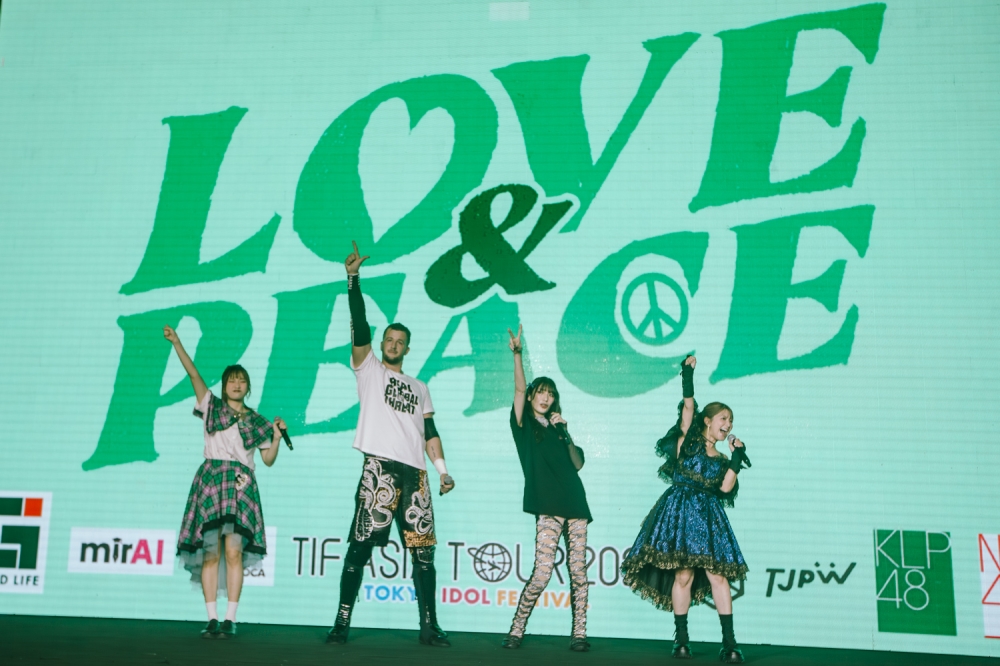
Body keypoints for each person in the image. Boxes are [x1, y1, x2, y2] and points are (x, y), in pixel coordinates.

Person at [327, 241, 456, 647]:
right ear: (382, 344)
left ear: (408, 347)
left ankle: (429, 626)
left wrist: (442, 471)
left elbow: (430, 434)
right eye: (389, 339)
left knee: (424, 555)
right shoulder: (369, 369)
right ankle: (341, 624)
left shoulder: (420, 387)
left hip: (415, 475)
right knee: (360, 548)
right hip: (379, 468)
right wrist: (353, 280)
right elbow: (360, 326)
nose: (393, 344)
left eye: (400, 341)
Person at [620, 356, 749, 663]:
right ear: (709, 419)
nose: (728, 425)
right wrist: (687, 374)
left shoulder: (720, 457)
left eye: (731, 421)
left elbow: (726, 489)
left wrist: (735, 459)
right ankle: (681, 640)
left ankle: (729, 643)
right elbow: (688, 405)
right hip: (679, 511)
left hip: (708, 516)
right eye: (724, 418)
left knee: (719, 577)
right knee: (683, 577)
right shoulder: (687, 440)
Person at [165, 325, 285, 640]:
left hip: (241, 483)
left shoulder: (257, 420)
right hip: (211, 480)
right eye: (231, 379)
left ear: (248, 387)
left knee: (234, 550)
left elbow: (269, 459)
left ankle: (231, 617)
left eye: (241, 380)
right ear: (224, 384)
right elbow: (193, 375)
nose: (236, 384)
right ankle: (212, 618)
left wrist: (274, 435)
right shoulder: (211, 406)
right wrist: (177, 342)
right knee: (210, 551)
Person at [502, 324, 593, 652]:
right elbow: (517, 389)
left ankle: (579, 634)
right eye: (541, 391)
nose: (545, 397)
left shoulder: (558, 430)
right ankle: (516, 629)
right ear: (531, 396)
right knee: (541, 574)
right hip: (548, 505)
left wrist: (565, 432)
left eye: (551, 393)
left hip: (576, 504)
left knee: (578, 574)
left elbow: (578, 464)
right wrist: (517, 355)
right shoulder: (524, 425)